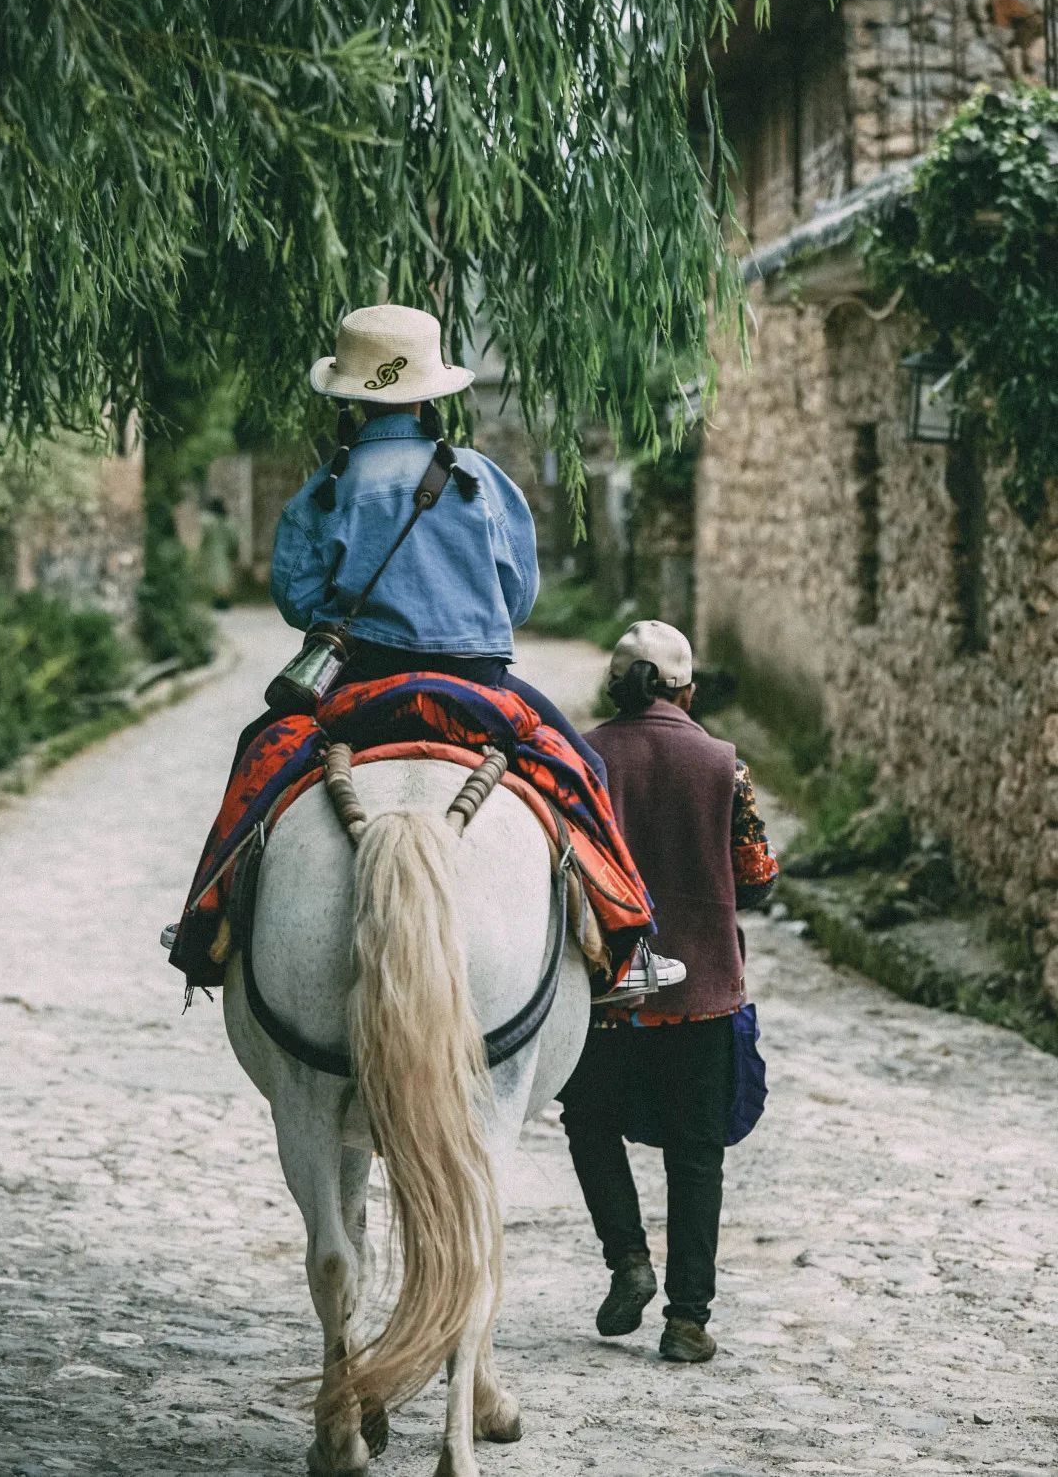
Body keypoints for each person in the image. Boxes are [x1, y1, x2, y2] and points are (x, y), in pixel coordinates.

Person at [252, 304, 684, 1001]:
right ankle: (629, 942)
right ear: (430, 394)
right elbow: (518, 598)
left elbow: (297, 601)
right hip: (479, 686)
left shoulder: (325, 490)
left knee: (256, 762)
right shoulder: (481, 480)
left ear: (350, 398)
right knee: (587, 770)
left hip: (358, 683)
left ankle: (205, 918)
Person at [559, 620, 779, 1361]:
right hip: (702, 995)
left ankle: (627, 1259)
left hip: (607, 997)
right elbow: (756, 878)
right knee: (695, 1153)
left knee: (589, 1123)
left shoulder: (581, 759)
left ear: (615, 687)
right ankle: (687, 1320)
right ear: (687, 691)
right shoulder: (724, 764)